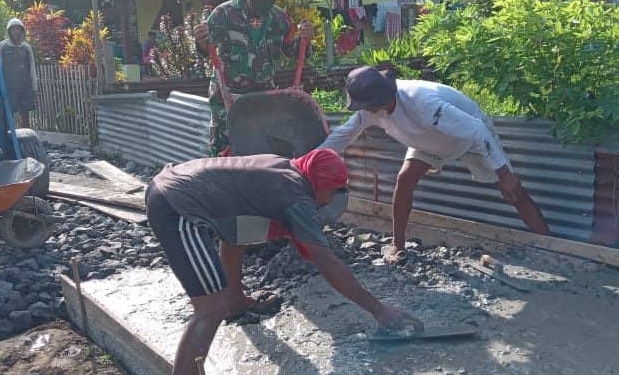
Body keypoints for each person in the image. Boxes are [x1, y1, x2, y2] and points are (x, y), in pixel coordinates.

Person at [146, 148, 423, 375]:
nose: (330, 201)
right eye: (332, 191)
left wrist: (237, 298)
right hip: (177, 207)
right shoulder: (296, 196)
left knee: (226, 288)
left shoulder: (285, 166)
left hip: (172, 185)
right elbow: (328, 263)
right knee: (210, 308)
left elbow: (234, 236)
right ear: (319, 183)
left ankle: (236, 301)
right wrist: (379, 310)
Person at [320, 67, 551, 263]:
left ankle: (548, 244)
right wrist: (310, 162)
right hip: (427, 140)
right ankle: (397, 246)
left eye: (365, 105)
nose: (363, 110)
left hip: (468, 139)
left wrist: (504, 174)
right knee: (405, 179)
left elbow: (477, 131)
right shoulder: (370, 112)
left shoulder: (422, 102)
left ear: (380, 99)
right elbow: (344, 135)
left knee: (512, 191)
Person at [194, 0, 314, 157]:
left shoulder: (280, 19)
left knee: (263, 146)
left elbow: (292, 51)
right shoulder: (223, 14)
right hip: (228, 95)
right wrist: (200, 41)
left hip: (263, 95)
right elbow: (207, 50)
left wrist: (304, 41)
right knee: (226, 148)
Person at [0, 18, 37, 127]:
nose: (16, 32)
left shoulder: (27, 48)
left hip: (24, 86)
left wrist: (34, 87)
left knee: (25, 114)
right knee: (9, 115)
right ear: (9, 31)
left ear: (22, 31)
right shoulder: (1, 47)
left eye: (18, 29)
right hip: (9, 88)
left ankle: (27, 138)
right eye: (13, 29)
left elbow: (32, 67)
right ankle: (11, 139)